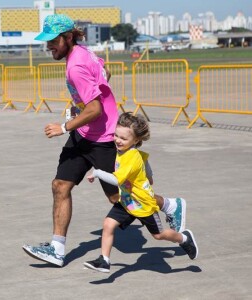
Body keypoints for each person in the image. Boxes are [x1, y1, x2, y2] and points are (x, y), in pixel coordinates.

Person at [22, 14, 186, 268]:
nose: (49, 46)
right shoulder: (84, 54)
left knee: (120, 197)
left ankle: (168, 204)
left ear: (67, 38)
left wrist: (64, 126)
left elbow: (96, 109)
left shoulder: (76, 66)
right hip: (83, 136)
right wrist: (82, 106)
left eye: (53, 41)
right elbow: (105, 73)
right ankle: (56, 248)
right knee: (60, 185)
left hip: (104, 139)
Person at [83, 112, 198, 273]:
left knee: (159, 235)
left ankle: (184, 238)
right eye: (116, 135)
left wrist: (97, 173)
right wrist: (149, 176)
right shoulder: (125, 151)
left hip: (143, 205)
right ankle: (104, 260)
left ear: (136, 140)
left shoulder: (131, 156)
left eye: (123, 138)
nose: (117, 140)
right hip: (127, 201)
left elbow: (117, 180)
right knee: (108, 224)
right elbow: (145, 160)